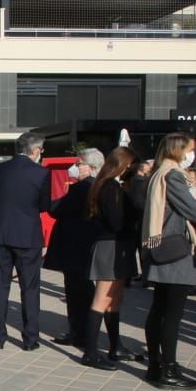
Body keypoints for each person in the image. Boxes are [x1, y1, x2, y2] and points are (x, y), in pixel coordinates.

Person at [141, 133, 196, 389]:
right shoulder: (173, 175)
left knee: (159, 309)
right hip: (174, 252)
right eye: (191, 149)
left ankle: (155, 365)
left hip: (158, 248)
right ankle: (168, 368)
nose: (193, 154)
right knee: (172, 314)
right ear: (178, 150)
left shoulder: (157, 173)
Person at [0, 132, 51, 350]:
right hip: (28, 235)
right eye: (41, 150)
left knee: (1, 286)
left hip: (1, 234)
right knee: (30, 288)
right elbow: (44, 205)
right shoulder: (41, 173)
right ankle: (30, 339)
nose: (41, 154)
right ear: (34, 151)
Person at [81, 147, 141, 369]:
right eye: (131, 166)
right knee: (102, 300)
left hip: (116, 245)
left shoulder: (106, 185)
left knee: (114, 300)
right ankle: (90, 352)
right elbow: (116, 221)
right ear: (123, 165)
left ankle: (116, 345)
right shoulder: (111, 187)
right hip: (111, 245)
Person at [46, 149, 103, 350]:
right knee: (84, 291)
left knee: (77, 292)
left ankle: (79, 332)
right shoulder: (100, 186)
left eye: (79, 164)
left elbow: (57, 209)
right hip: (89, 246)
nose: (75, 167)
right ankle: (82, 332)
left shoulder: (81, 188)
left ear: (92, 167)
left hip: (75, 247)